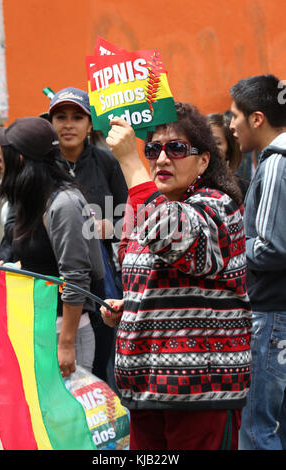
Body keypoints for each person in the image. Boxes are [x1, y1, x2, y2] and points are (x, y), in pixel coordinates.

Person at [100, 102, 252, 450]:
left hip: (198, 393)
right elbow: (162, 278)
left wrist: (129, 160)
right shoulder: (141, 209)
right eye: (152, 149)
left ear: (203, 161)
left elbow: (173, 235)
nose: (162, 158)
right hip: (144, 392)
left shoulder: (218, 206)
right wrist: (131, 307)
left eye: (177, 148)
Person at [0, 117, 105, 378]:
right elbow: (43, 262)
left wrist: (65, 344)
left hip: (64, 335)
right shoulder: (32, 201)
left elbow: (77, 277)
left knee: (70, 418)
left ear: (18, 159)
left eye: (3, 152)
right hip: (39, 329)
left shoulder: (63, 203)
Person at [48, 87, 128, 386]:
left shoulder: (107, 163)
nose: (68, 124)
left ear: (90, 124)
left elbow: (130, 218)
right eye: (60, 117)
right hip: (52, 282)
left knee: (99, 364)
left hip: (99, 280)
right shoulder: (42, 165)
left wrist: (109, 227)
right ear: (51, 122)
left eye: (77, 117)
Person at [229, 74, 286, 450]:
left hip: (269, 315)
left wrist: (229, 244)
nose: (230, 124)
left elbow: (270, 247)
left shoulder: (276, 163)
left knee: (255, 430)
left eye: (235, 116)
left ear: (257, 118)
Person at [207, 112, 249, 199]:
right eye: (205, 140)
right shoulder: (189, 185)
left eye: (217, 143)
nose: (209, 147)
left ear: (229, 151)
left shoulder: (243, 189)